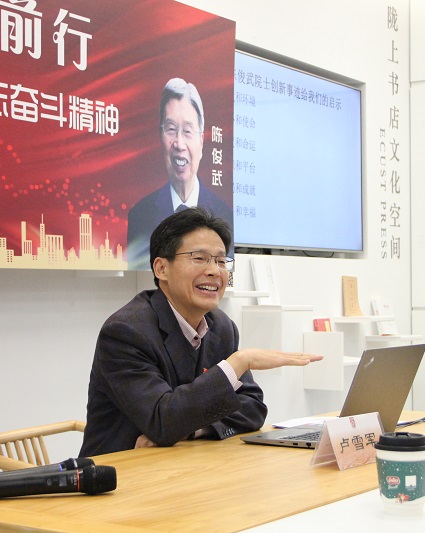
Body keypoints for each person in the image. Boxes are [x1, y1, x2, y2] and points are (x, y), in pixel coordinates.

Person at [79, 208, 322, 456]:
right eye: (199, 258)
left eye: (220, 261)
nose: (214, 271)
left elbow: (252, 409)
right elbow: (162, 420)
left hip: (186, 462)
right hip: (120, 471)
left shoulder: (221, 326)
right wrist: (237, 363)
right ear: (161, 268)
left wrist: (191, 430)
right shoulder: (126, 332)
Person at [126, 78, 232, 271]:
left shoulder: (225, 215)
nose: (179, 144)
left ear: (201, 142)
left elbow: (226, 272)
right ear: (160, 137)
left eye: (187, 131)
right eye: (171, 130)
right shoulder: (140, 216)